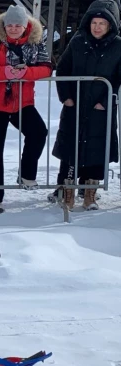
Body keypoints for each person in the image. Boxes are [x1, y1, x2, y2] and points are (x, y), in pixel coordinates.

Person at [0, 5, 52, 214]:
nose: (14, 29)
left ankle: (26, 173)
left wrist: (27, 72)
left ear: (25, 25)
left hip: (22, 102)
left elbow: (46, 68)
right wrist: (4, 72)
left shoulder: (36, 42)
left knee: (38, 132)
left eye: (18, 25)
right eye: (10, 25)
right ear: (4, 25)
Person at [51, 0, 121, 211]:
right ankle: (66, 190)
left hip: (101, 107)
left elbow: (118, 77)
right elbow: (62, 69)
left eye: (102, 23)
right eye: (94, 22)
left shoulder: (118, 45)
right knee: (71, 146)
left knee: (96, 148)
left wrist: (106, 101)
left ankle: (90, 192)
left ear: (110, 26)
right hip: (76, 105)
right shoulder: (77, 42)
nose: (97, 27)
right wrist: (66, 97)